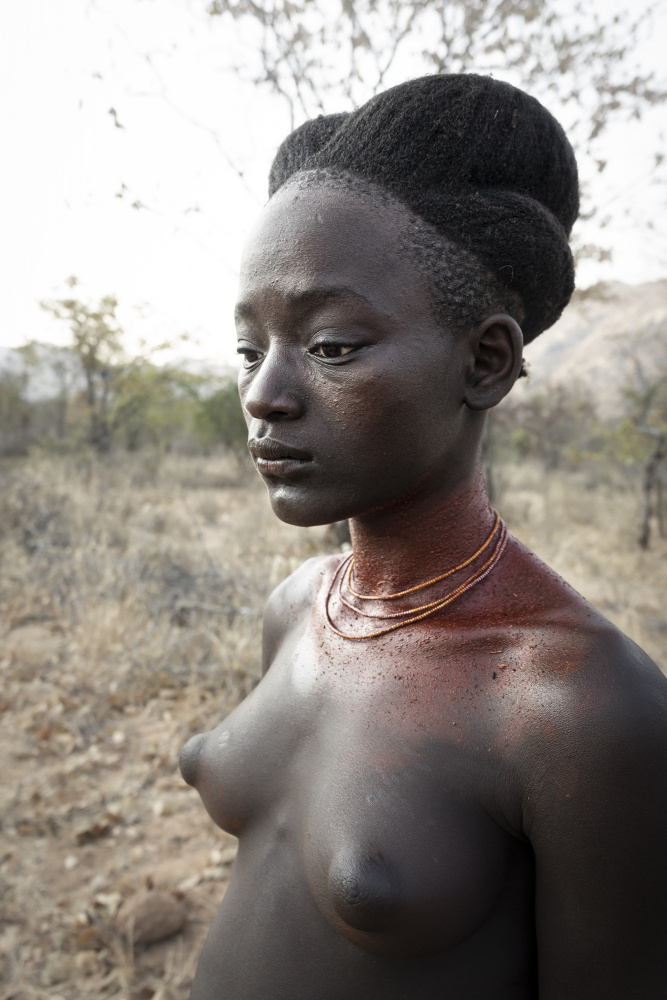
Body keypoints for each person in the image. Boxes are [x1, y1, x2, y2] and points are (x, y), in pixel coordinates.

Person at [179, 74, 667, 999]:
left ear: (482, 360)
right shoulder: (297, 610)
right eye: (251, 348)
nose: (261, 394)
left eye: (329, 347)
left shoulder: (582, 710)